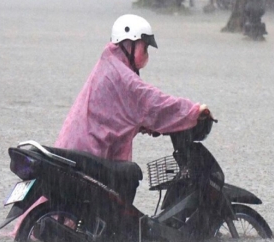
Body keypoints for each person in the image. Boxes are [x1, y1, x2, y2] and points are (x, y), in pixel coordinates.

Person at [54, 14, 210, 162]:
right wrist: (194, 111)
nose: (147, 55)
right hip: (86, 155)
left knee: (125, 177)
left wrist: (147, 125)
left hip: (77, 151)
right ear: (129, 44)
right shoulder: (120, 75)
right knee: (131, 175)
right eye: (145, 48)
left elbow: (120, 114)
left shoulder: (110, 64)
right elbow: (152, 103)